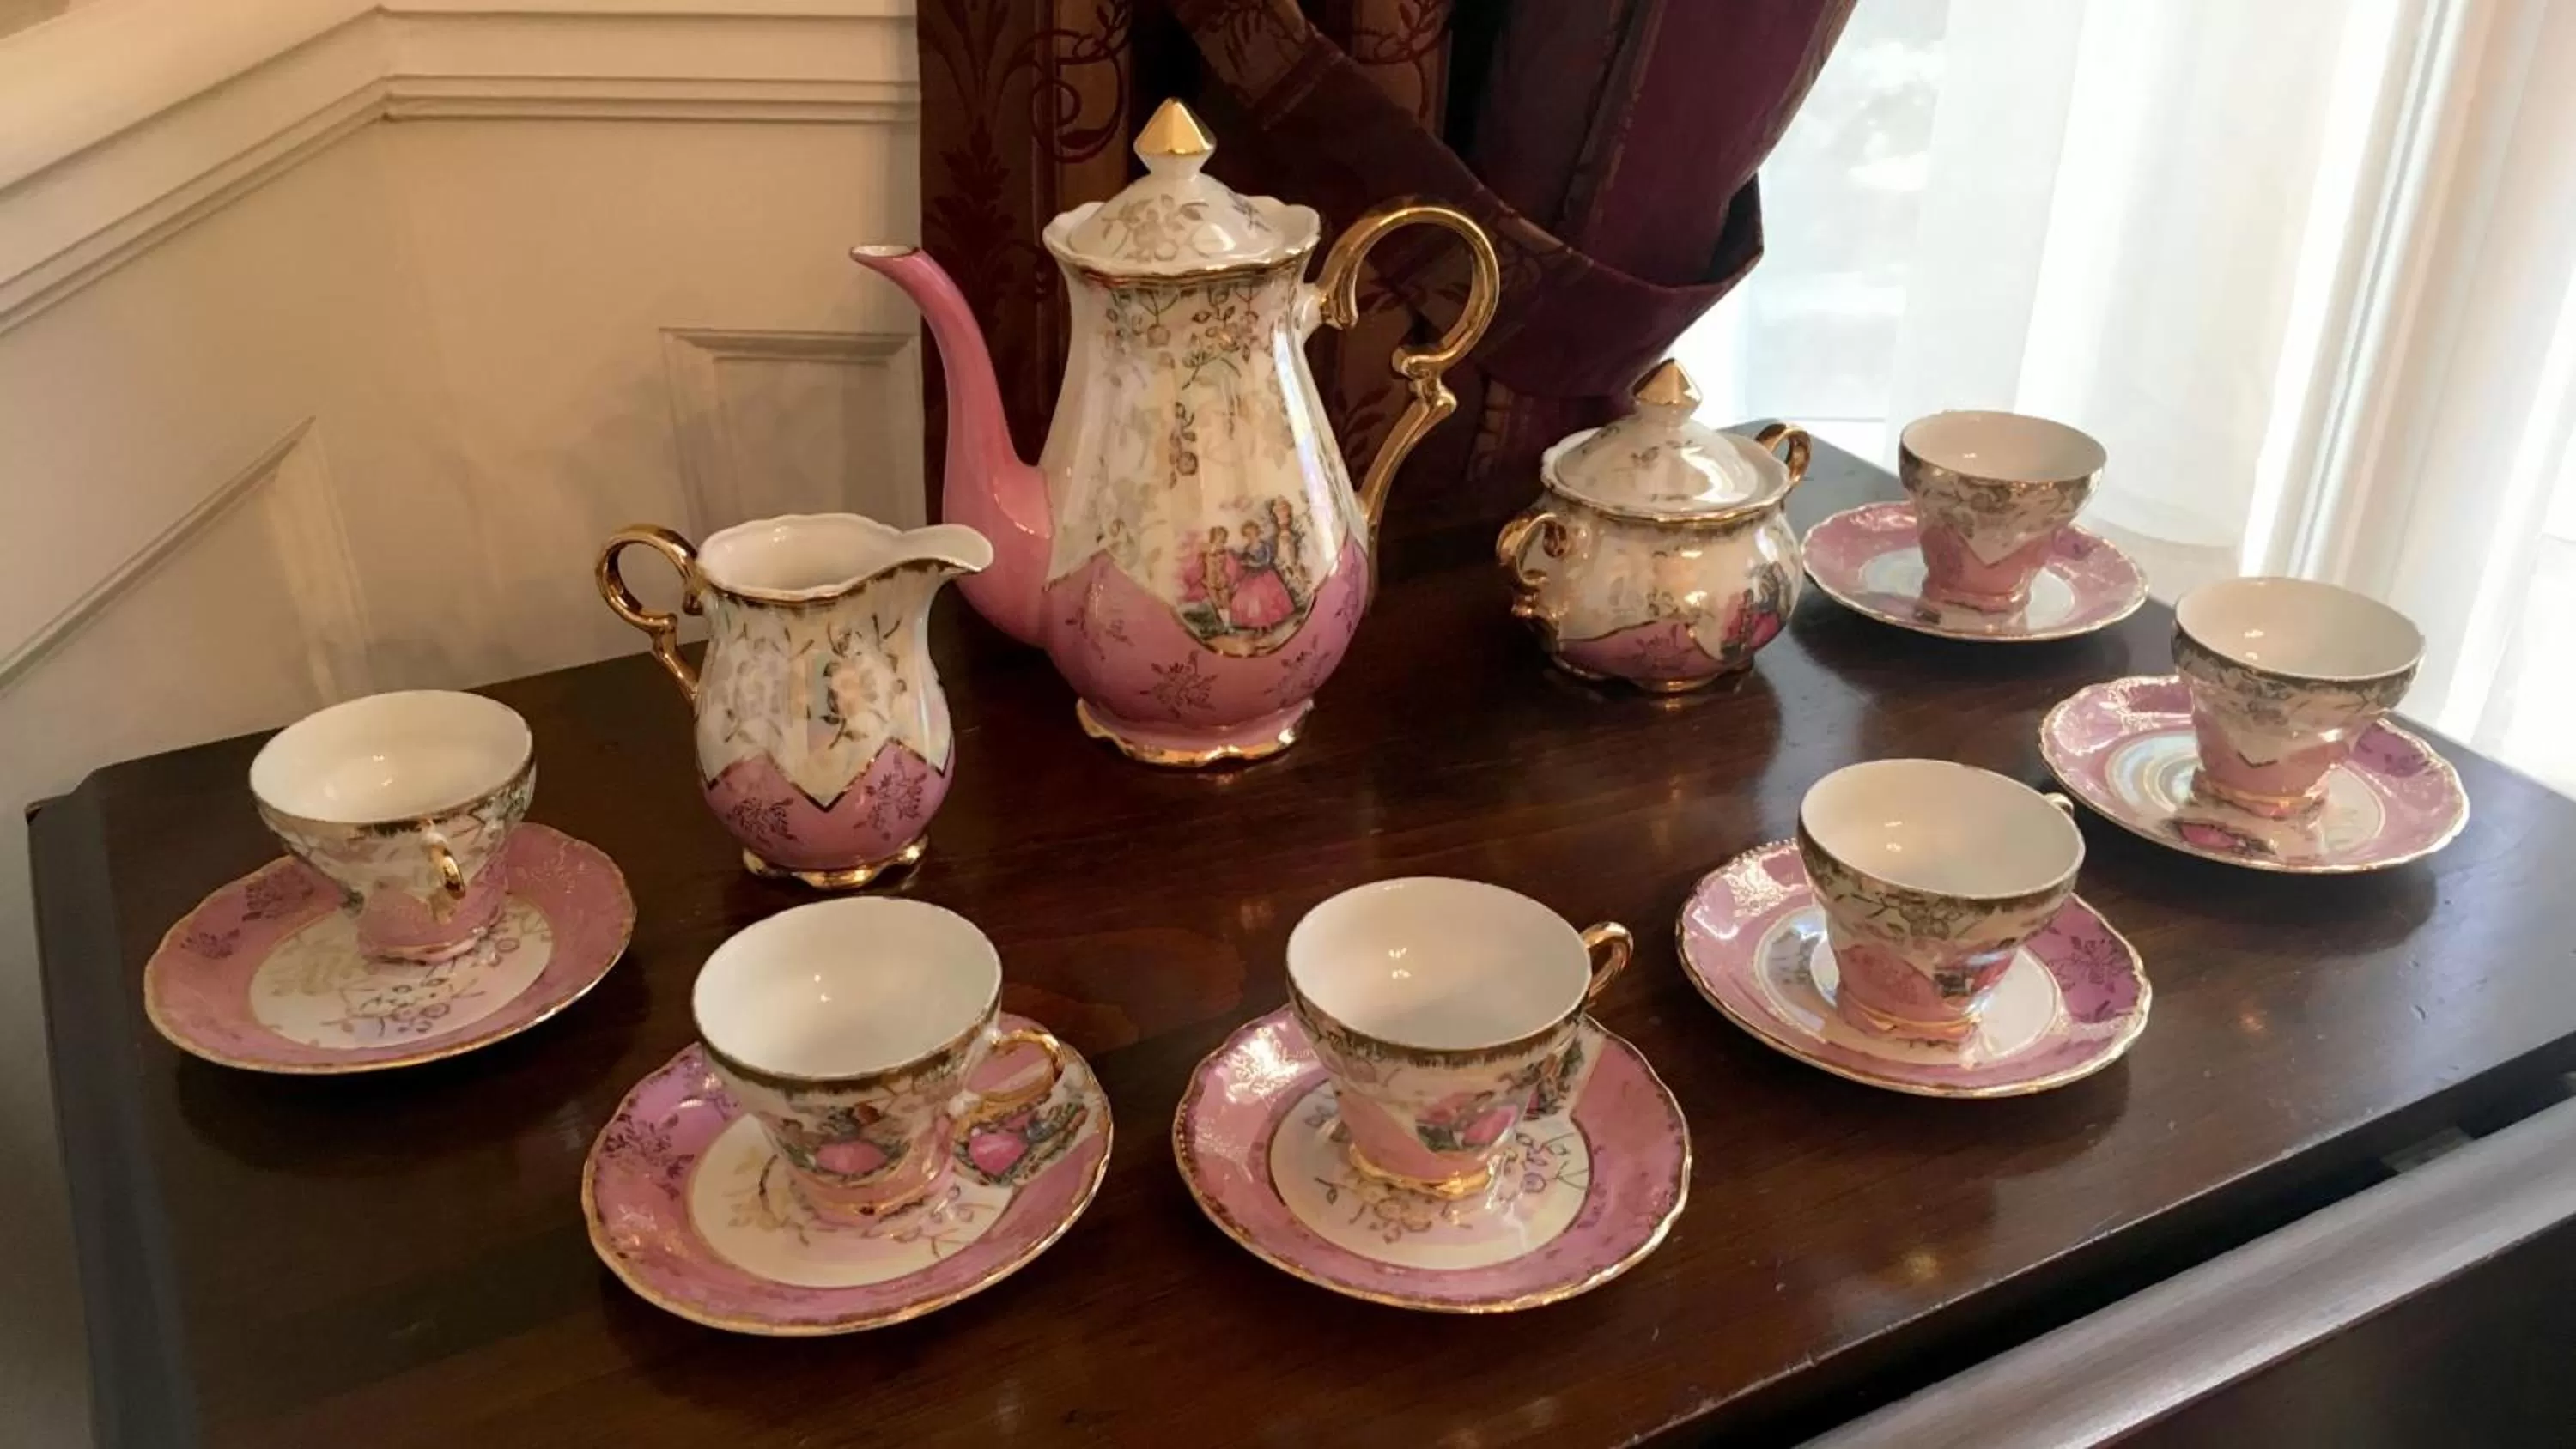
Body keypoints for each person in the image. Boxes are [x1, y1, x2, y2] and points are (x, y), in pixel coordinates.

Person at [1227, 519, 1297, 631]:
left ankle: (1269, 624)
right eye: (1247, 534)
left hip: (1266, 575)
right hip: (1252, 577)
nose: (1250, 536)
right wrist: (1244, 563)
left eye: (1251, 533)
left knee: (1266, 597)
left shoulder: (1264, 545)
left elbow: (1266, 561)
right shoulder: (1247, 548)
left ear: (1257, 532)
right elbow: (1244, 560)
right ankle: (1259, 626)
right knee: (1250, 599)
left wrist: (1253, 563)